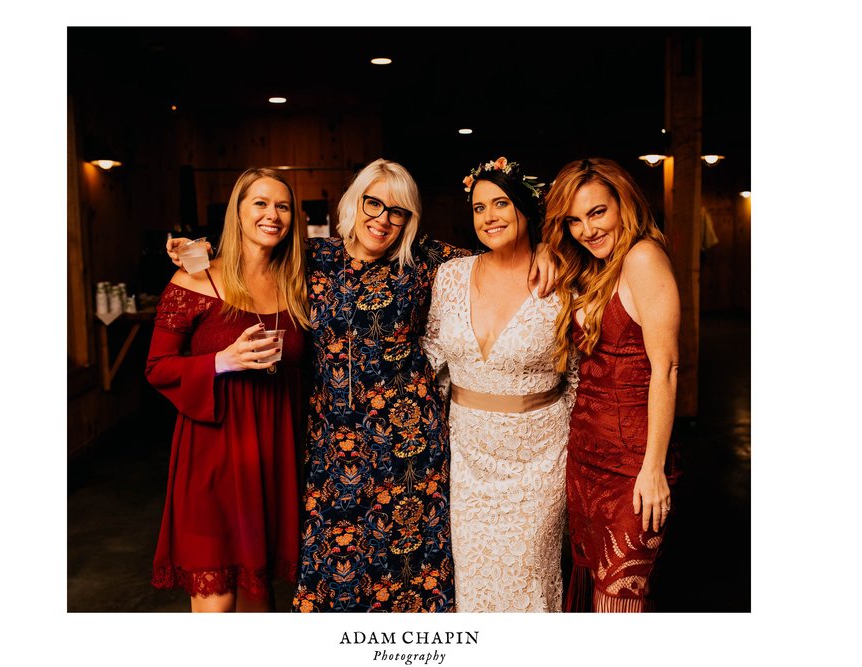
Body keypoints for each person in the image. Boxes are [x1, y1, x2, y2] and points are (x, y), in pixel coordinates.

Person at [168, 158, 556, 612]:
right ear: (355, 202)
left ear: (409, 220)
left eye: (398, 211)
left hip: (409, 448)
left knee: (409, 572)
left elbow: (501, 250)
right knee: (334, 570)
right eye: (374, 203)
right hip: (332, 446)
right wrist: (199, 251)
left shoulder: (429, 260)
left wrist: (546, 248)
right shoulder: (312, 258)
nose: (383, 219)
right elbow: (251, 253)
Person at [145, 167, 310, 612]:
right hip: (212, 454)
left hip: (273, 454)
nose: (272, 214)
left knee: (259, 603)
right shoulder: (196, 279)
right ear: (237, 212)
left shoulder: (300, 282)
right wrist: (223, 361)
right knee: (216, 602)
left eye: (282, 206)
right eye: (259, 203)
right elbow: (157, 368)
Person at [422, 157, 577, 612]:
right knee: (474, 583)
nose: (489, 216)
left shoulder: (563, 278)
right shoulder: (450, 275)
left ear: (526, 209)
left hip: (539, 459)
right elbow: (432, 356)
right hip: (468, 459)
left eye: (501, 203)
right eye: (478, 207)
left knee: (528, 580)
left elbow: (581, 375)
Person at [542, 157, 680, 613]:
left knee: (619, 602)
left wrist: (654, 468)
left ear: (624, 203)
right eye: (574, 220)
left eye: (597, 212)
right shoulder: (591, 266)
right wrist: (546, 249)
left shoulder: (643, 257)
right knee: (593, 589)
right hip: (586, 459)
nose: (587, 229)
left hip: (634, 465)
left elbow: (666, 369)